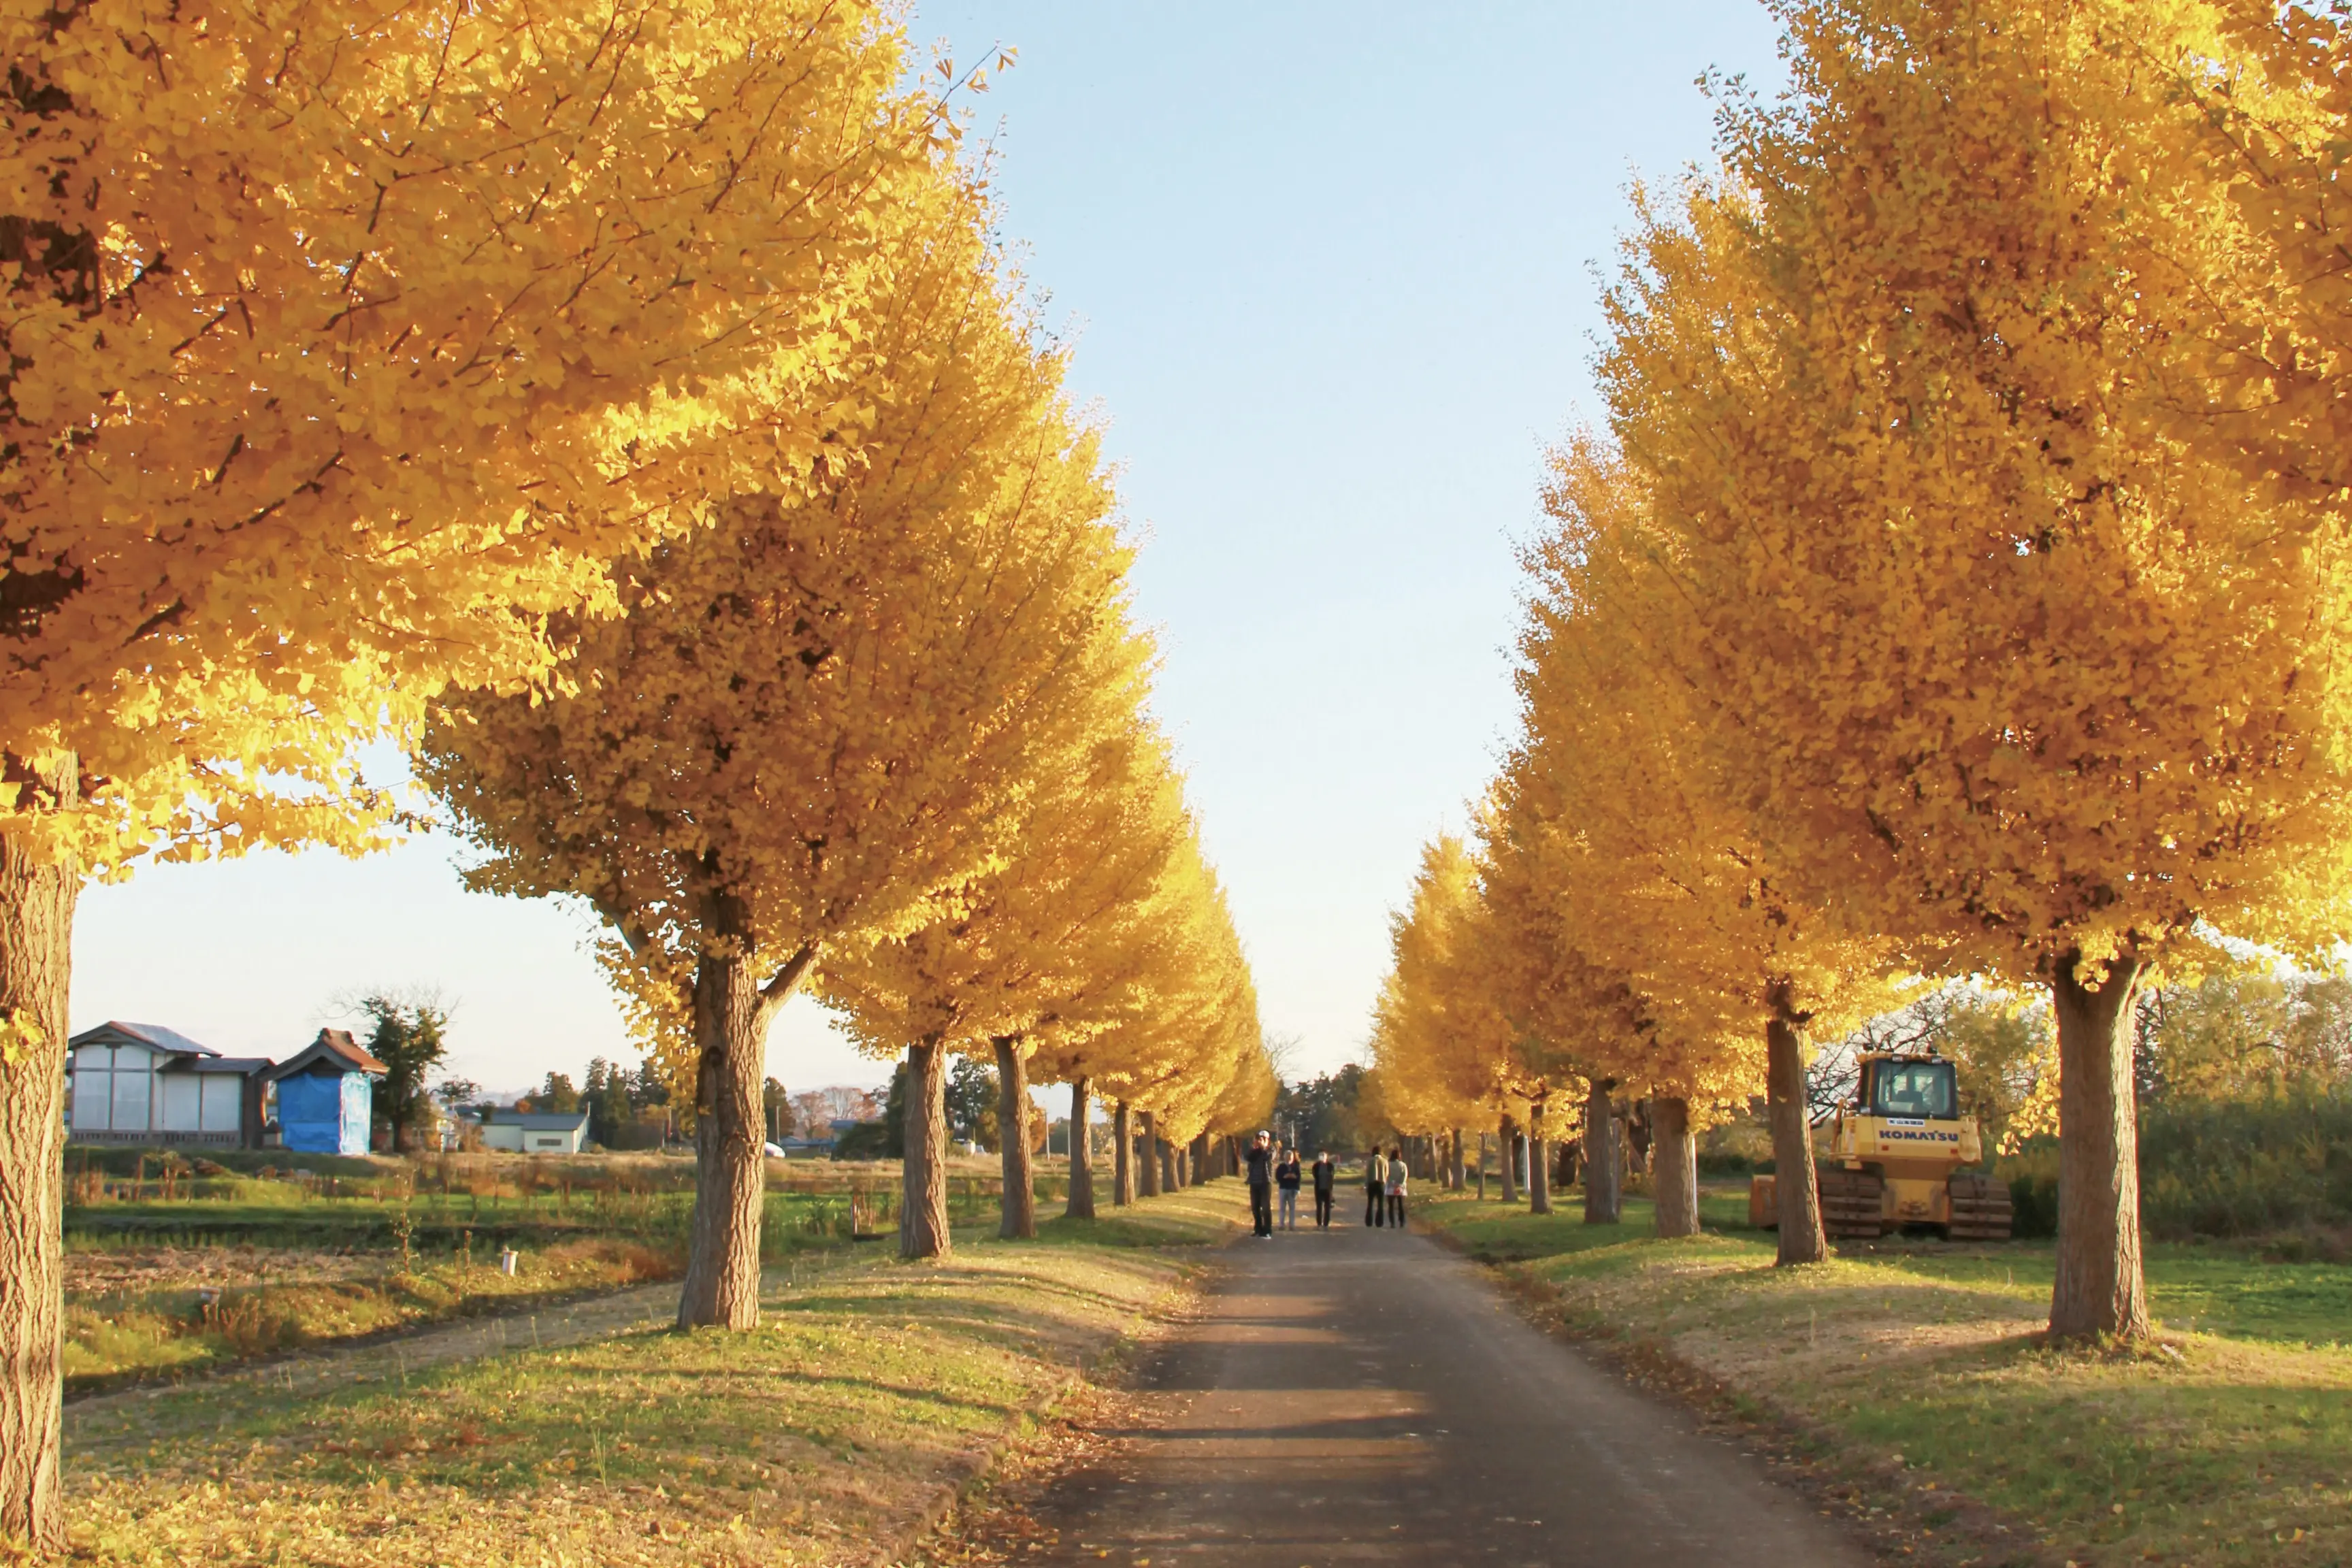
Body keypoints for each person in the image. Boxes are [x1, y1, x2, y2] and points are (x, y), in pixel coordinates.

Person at [1245, 1130, 1275, 1238]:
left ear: (1267, 1140)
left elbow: (1267, 1157)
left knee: (1266, 1207)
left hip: (1265, 1182)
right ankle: (1258, 1229)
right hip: (1254, 1181)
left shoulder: (1271, 1149)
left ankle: (1267, 1230)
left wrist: (1263, 1147)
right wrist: (1254, 1147)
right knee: (1255, 1207)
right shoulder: (1255, 1151)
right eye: (1258, 1139)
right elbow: (1248, 1158)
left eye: (1262, 1139)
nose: (1259, 1141)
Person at [1275, 1144, 1303, 1230]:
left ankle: (1292, 1225)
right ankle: (1281, 1224)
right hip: (1283, 1188)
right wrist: (1284, 1177)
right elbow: (1277, 1177)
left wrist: (1295, 1179)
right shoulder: (1281, 1167)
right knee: (1282, 1207)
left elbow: (1299, 1178)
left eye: (1291, 1157)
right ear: (1285, 1157)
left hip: (1292, 1189)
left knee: (1292, 1208)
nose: (1289, 1158)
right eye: (1288, 1157)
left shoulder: (1296, 1167)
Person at [1311, 1149, 1337, 1228]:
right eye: (1321, 1156)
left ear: (1327, 1157)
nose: (1322, 1157)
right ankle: (1319, 1223)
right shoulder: (1316, 1166)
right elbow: (1315, 1175)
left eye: (1324, 1156)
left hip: (1328, 1189)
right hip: (1319, 1188)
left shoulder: (1330, 1166)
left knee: (1327, 1207)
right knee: (1319, 1207)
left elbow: (1332, 1177)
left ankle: (1326, 1223)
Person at [1364, 1145, 1388, 1228]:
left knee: (1370, 1203)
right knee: (1380, 1204)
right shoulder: (1385, 1161)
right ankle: (1379, 1222)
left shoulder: (1370, 1161)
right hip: (1381, 1183)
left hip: (1372, 1183)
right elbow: (1387, 1173)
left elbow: (1367, 1173)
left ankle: (1369, 1222)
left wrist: (1366, 1184)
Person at [1386, 1145, 1409, 1229]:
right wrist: (1400, 1184)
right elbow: (1405, 1176)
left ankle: (1392, 1223)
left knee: (1391, 1206)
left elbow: (1387, 1176)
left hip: (1391, 1188)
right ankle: (1402, 1222)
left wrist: (1392, 1183)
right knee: (1401, 1206)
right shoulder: (1403, 1165)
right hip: (1401, 1188)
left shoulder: (1388, 1165)